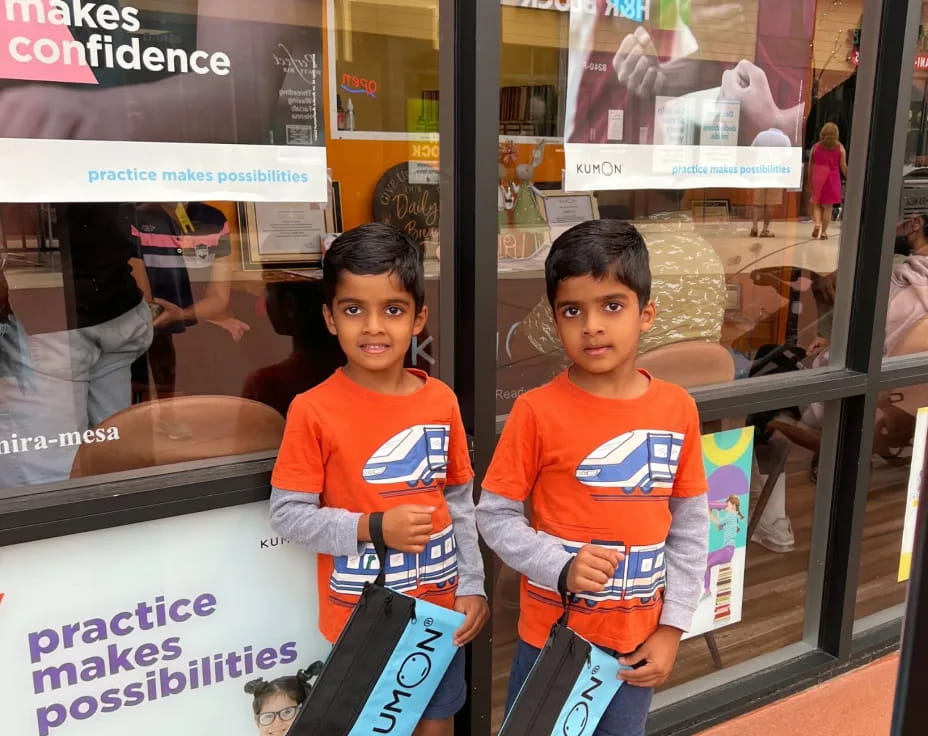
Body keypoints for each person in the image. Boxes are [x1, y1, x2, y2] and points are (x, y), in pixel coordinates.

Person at [476, 220, 709, 736]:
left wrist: (673, 626)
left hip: (636, 645)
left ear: (646, 313)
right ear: (555, 322)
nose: (592, 326)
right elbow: (493, 514)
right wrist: (558, 564)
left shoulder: (677, 409)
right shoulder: (535, 411)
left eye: (612, 305)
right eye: (572, 311)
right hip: (552, 642)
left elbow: (691, 527)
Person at [268, 223, 488, 736]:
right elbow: (288, 515)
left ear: (418, 319)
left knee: (437, 723)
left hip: (438, 614)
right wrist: (372, 527)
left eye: (392, 309)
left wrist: (472, 584)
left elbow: (459, 502)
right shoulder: (313, 410)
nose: (373, 327)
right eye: (353, 310)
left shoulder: (441, 401)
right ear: (329, 318)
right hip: (360, 621)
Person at [809, 123, 847, 240]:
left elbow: (810, 164)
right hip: (832, 178)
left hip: (818, 176)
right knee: (828, 207)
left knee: (816, 204)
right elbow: (843, 166)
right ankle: (824, 232)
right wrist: (849, 177)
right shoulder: (840, 148)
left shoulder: (816, 147)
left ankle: (817, 224)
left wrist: (810, 179)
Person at [703, 495, 744, 598]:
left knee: (706, 565)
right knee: (705, 558)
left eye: (728, 504)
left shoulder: (731, 515)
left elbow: (717, 523)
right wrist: (715, 513)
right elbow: (718, 527)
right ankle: (706, 589)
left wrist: (709, 512)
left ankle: (707, 591)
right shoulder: (732, 517)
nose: (726, 505)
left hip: (727, 551)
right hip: (726, 550)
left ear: (733, 505)